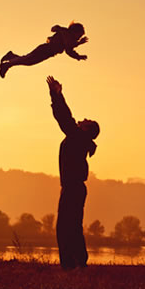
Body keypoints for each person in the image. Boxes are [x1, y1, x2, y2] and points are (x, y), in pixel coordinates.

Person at [46, 75, 99, 270]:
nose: (82, 119)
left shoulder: (77, 137)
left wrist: (57, 95)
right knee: (73, 226)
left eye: (86, 121)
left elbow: (64, 118)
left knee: (65, 227)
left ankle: (71, 264)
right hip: (74, 188)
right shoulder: (80, 138)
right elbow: (66, 119)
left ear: (86, 129)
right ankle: (77, 262)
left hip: (72, 189)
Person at [0, 22, 88, 78]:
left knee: (28, 60)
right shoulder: (67, 35)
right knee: (27, 60)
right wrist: (78, 55)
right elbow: (69, 50)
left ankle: (11, 57)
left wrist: (78, 44)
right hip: (45, 50)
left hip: (46, 51)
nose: (78, 38)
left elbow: (68, 46)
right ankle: (7, 64)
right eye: (79, 36)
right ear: (74, 32)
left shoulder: (67, 35)